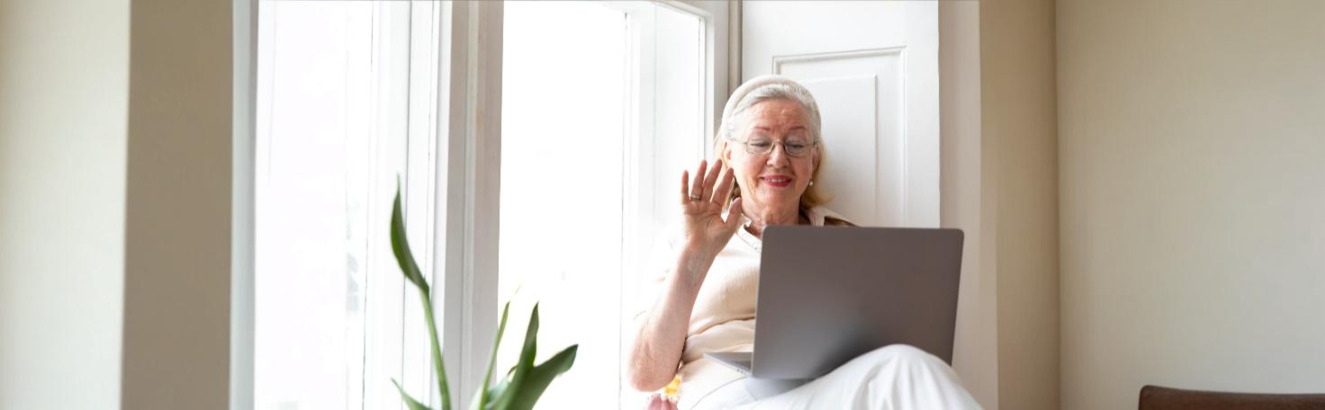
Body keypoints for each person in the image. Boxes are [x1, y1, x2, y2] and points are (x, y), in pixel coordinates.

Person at [626, 76, 981, 409]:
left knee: (910, 365)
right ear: (729, 155)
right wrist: (695, 256)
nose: (778, 158)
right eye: (760, 142)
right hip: (727, 394)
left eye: (795, 144)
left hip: (828, 390)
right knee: (907, 367)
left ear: (813, 160)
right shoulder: (685, 238)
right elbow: (645, 375)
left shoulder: (848, 240)